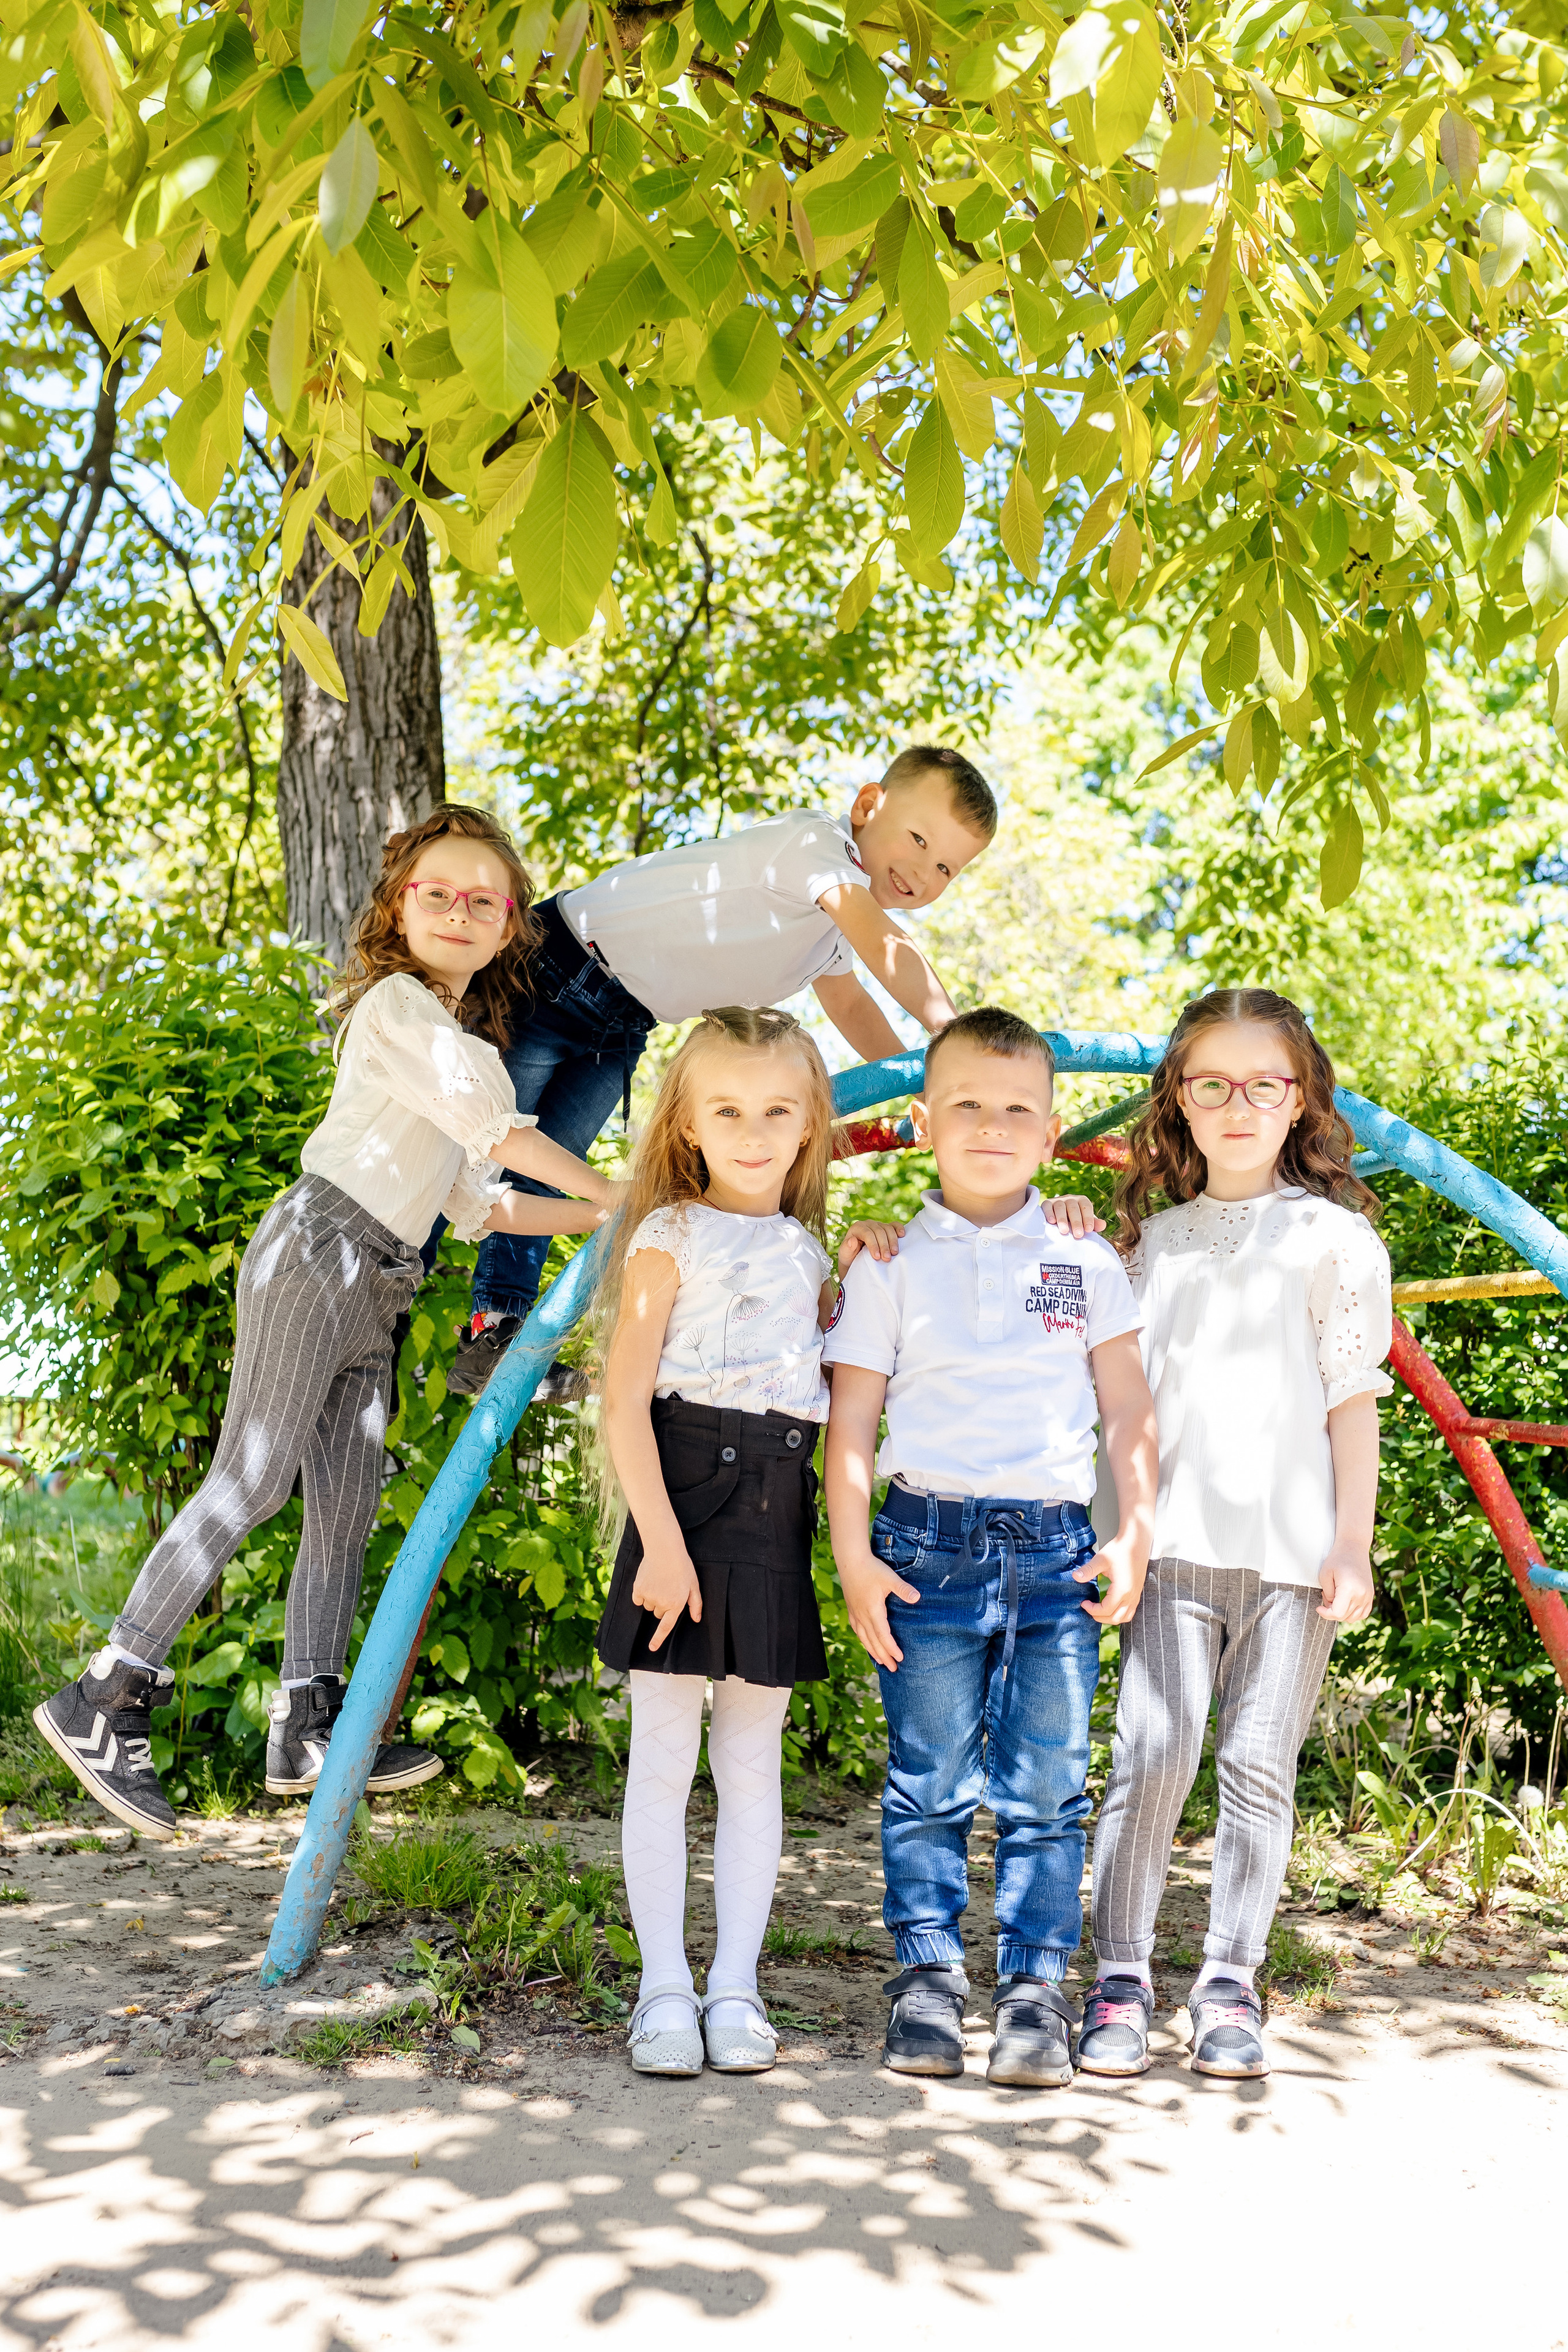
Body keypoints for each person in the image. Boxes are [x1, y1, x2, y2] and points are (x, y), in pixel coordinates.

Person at [34, 808, 619, 1841]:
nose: (459, 909)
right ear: (401, 905)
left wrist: (611, 1212)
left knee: (347, 1504)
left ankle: (305, 1720)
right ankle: (107, 1691)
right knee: (251, 1479)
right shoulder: (400, 1010)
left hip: (382, 1278)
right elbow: (505, 1136)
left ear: (509, 926)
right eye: (438, 890)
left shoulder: (465, 1041)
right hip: (319, 1247)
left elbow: (481, 1202)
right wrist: (619, 1192)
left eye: (484, 898)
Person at [822, 1006, 1158, 2088]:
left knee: (1050, 1786)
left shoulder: (1080, 1254)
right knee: (927, 1781)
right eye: (965, 1103)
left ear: (1053, 1133)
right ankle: (925, 1984)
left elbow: (1127, 1409)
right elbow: (851, 1426)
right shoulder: (888, 1264)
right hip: (924, 1546)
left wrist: (1136, 1526)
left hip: (1057, 1554)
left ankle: (1032, 1991)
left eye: (1018, 1108)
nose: (991, 1125)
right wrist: (854, 1555)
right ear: (922, 1121)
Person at [1063, 987, 1391, 2082]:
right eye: (1213, 1084)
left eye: (1264, 1084)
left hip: (1297, 1557)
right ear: (1181, 1104)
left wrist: (1355, 1542)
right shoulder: (1146, 1246)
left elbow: (1352, 1401)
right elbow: (1119, 1400)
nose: (1239, 1104)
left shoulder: (1336, 1240)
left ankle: (1228, 1985)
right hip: (1172, 1550)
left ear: (1300, 1103)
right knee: (1152, 1756)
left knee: (1258, 1767)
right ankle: (1117, 1981)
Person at [447, 744, 998, 1396]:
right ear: (867, 805)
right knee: (461, 1138)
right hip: (559, 967)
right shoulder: (813, 848)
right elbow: (888, 946)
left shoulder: (832, 936)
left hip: (623, 1022)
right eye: (917, 838)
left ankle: (494, 1330)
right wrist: (961, 1049)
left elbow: (850, 1002)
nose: (923, 871)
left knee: (549, 1163)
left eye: (946, 867)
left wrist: (923, 1085)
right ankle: (389, 1294)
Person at [594, 1006, 899, 2078]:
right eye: (727, 1109)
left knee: (753, 1760)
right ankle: (662, 1989)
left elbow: (811, 1372)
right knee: (665, 1755)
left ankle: (736, 1987)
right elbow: (625, 1401)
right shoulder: (664, 1234)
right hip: (677, 1492)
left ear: (812, 1124)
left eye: (777, 1110)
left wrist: (848, 1271)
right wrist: (661, 1545)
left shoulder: (808, 1245)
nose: (754, 1130)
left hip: (774, 1500)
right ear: (686, 1123)